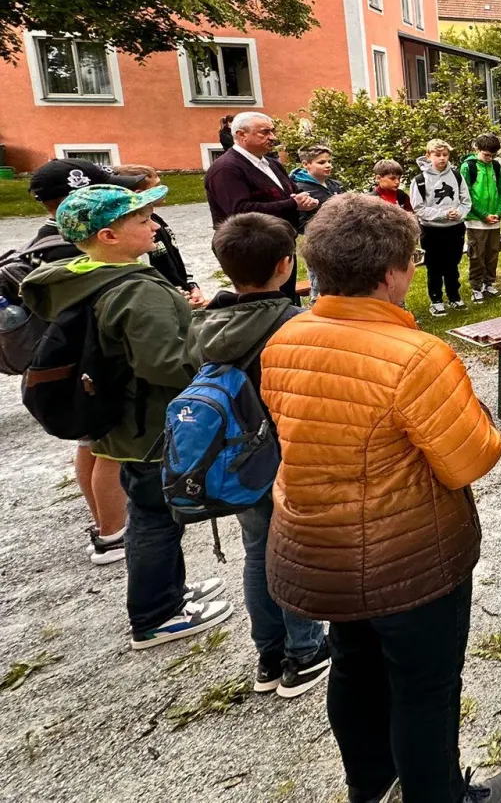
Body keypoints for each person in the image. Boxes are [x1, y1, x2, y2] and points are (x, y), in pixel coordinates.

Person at [259, 195, 501, 803]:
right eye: (413, 260)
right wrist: (477, 414)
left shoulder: (286, 336)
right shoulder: (418, 356)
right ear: (390, 273)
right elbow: (469, 459)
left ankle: (371, 785)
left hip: (317, 547)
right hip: (408, 558)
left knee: (354, 665)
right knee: (424, 689)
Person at [22, 184, 232, 648]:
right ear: (108, 236)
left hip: (122, 420)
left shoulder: (84, 275)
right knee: (157, 517)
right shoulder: (135, 291)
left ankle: (168, 593)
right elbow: (166, 365)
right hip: (151, 425)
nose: (155, 225)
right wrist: (211, 346)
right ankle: (157, 613)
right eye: (142, 220)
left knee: (150, 512)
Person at [189, 213, 331, 698]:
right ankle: (306, 651)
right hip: (284, 455)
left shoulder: (208, 322)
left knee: (257, 551)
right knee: (296, 552)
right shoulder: (295, 325)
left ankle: (269, 655)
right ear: (286, 265)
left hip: (237, 460)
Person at [20, 159, 150, 566]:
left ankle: (104, 525)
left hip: (83, 368)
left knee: (92, 446)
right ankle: (114, 532)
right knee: (109, 450)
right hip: (96, 369)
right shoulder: (75, 247)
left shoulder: (53, 242)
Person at [204, 111, 320, 302]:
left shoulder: (271, 164)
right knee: (265, 304)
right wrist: (292, 204)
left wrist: (304, 201)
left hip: (280, 243)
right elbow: (239, 210)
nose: (272, 137)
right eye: (264, 132)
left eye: (272, 131)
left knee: (287, 299)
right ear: (241, 135)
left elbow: (290, 192)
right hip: (251, 250)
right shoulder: (226, 168)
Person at [112, 164, 208, 309]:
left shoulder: (156, 221)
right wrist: (172, 299)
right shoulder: (135, 234)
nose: (164, 189)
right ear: (140, 193)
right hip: (166, 303)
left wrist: (192, 286)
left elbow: (176, 257)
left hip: (180, 298)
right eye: (157, 186)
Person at [410, 139, 470, 316]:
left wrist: (459, 213)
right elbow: (419, 208)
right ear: (428, 156)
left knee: (452, 264)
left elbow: (466, 200)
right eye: (437, 155)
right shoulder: (420, 180)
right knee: (434, 266)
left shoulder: (457, 176)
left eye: (445, 155)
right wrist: (442, 214)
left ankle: (454, 296)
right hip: (432, 229)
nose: (442, 158)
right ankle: (436, 299)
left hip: (455, 228)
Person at [287, 146, 345, 301]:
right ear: (306, 164)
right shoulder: (299, 189)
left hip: (342, 242)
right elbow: (298, 223)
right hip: (318, 245)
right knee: (321, 286)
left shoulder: (335, 185)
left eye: (329, 161)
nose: (328, 165)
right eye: (321, 162)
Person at [460, 133, 501, 302]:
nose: (489, 159)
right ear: (477, 149)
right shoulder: (468, 167)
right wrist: (483, 215)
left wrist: (498, 212)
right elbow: (466, 194)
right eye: (486, 155)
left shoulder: (496, 167)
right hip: (475, 220)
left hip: (494, 219)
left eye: (492, 155)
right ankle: (476, 286)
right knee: (477, 254)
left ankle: (489, 283)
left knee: (493, 252)